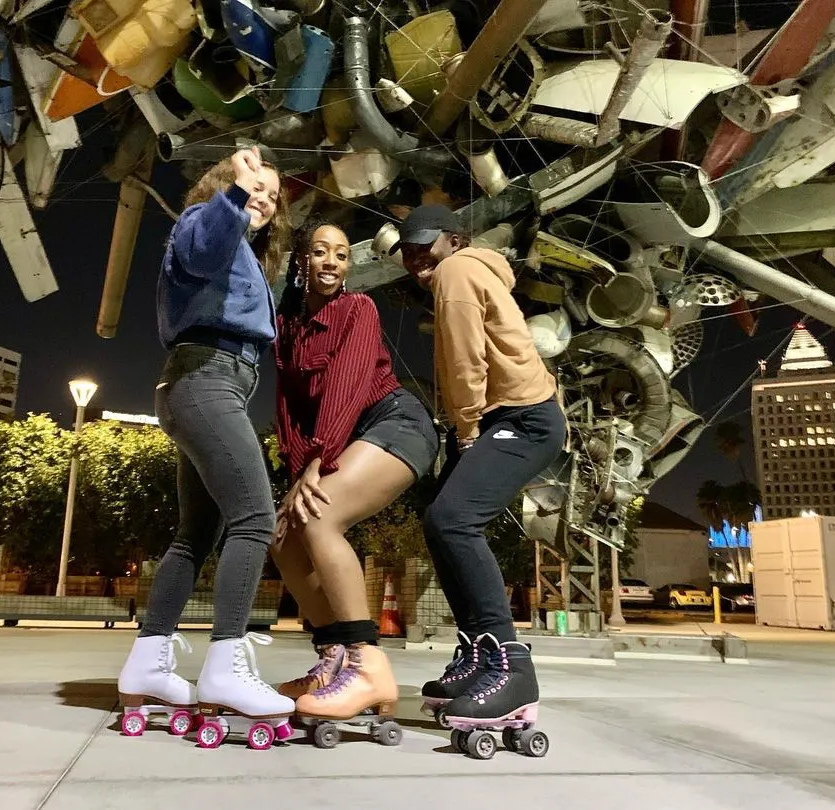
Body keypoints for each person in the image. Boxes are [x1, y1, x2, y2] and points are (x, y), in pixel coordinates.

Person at [117, 148, 296, 729]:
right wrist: (237, 195)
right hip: (205, 380)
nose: (265, 197)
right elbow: (200, 250)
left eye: (272, 191)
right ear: (227, 183)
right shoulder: (203, 222)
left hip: (207, 386)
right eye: (255, 185)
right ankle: (225, 661)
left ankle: (147, 661)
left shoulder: (243, 249)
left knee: (195, 534)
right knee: (254, 518)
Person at [392, 204, 566, 723]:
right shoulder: (467, 270)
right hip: (508, 417)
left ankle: (511, 666)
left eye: (427, 243)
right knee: (440, 522)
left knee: (454, 520)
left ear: (455, 240)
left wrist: (465, 431)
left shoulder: (457, 271)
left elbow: (466, 358)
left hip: (525, 418)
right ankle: (477, 653)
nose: (417, 256)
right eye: (408, 248)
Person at [268, 217, 439, 722]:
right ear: (303, 261)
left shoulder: (357, 309)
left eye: (342, 254)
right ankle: (334, 657)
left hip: (395, 423)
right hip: (340, 438)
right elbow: (288, 411)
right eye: (321, 252)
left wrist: (317, 466)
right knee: (281, 537)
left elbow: (345, 388)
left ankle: (368, 664)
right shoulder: (288, 328)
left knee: (320, 516)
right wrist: (299, 470)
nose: (332, 262)